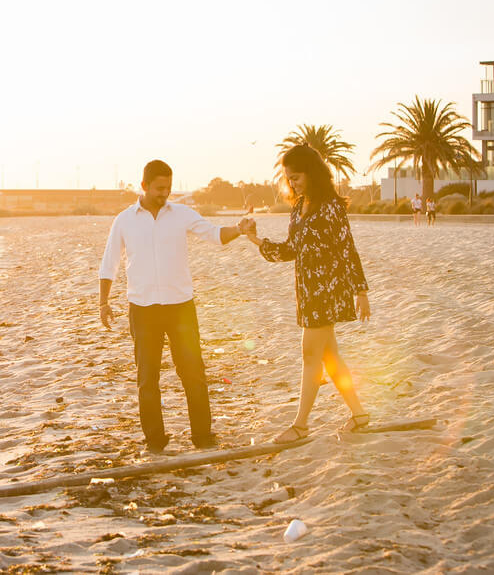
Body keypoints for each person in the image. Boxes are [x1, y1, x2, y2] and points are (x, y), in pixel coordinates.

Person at [99, 159, 249, 453]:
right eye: (159, 188)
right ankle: (155, 441)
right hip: (142, 309)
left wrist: (240, 228)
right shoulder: (124, 220)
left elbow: (215, 235)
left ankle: (202, 436)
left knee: (193, 372)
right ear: (143, 186)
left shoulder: (181, 214)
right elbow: (110, 263)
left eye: (168, 187)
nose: (164, 193)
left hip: (181, 307)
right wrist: (103, 302)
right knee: (147, 378)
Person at [240, 145, 371, 443]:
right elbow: (290, 250)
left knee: (310, 355)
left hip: (329, 290)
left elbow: (347, 249)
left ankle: (300, 426)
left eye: (296, 177)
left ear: (311, 173)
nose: (292, 183)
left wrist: (360, 291)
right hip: (307, 291)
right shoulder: (299, 208)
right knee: (330, 357)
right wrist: (254, 239)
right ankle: (359, 415)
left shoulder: (331, 206)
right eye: (289, 178)